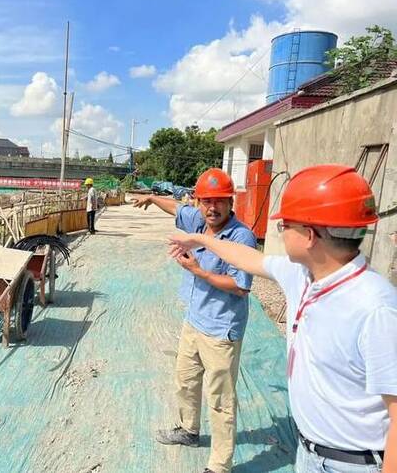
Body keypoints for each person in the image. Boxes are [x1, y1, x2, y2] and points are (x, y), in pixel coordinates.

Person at [168, 164, 397, 473]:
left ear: (310, 235)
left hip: (352, 463)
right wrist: (204, 240)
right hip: (309, 453)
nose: (279, 231)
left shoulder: (376, 308)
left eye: (284, 225)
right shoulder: (301, 274)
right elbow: (248, 258)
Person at [133, 168, 257, 473]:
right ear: (199, 202)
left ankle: (219, 465)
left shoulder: (241, 237)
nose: (211, 208)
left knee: (220, 399)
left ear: (230, 203)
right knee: (186, 381)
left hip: (220, 329)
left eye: (219, 201)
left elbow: (240, 286)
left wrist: (199, 271)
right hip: (194, 321)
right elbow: (176, 208)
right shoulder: (198, 220)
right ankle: (189, 431)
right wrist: (151, 196)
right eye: (206, 201)